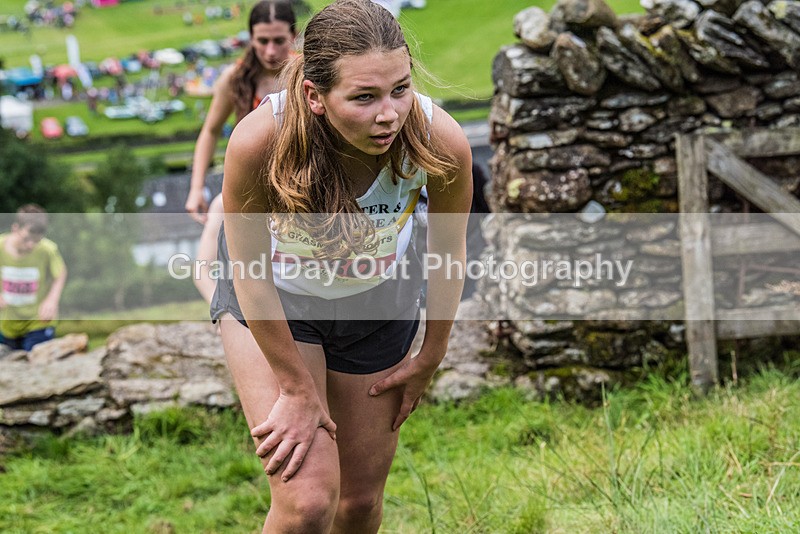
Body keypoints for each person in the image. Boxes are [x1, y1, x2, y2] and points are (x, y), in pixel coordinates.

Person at [212, 1, 472, 531]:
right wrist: (295, 387)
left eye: (400, 89)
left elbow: (449, 253)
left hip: (378, 305)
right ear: (314, 96)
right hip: (278, 302)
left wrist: (433, 352)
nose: (389, 114)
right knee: (307, 502)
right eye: (364, 97)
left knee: (357, 504)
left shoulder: (439, 141)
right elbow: (250, 273)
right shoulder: (258, 143)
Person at [185, 0, 297, 304]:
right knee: (217, 220)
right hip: (252, 179)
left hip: (299, 179)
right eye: (262, 41)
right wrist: (196, 189)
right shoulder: (233, 80)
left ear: (294, 36)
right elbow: (209, 131)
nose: (271, 51)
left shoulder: (307, 75)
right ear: (250, 38)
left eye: (279, 41)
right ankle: (220, 308)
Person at [0, 205, 67, 352]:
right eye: (27, 239)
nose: (31, 245)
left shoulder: (48, 250)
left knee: (38, 364)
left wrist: (52, 300)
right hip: (7, 322)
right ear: (15, 228)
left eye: (36, 241)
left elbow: (60, 273)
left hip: (39, 322)